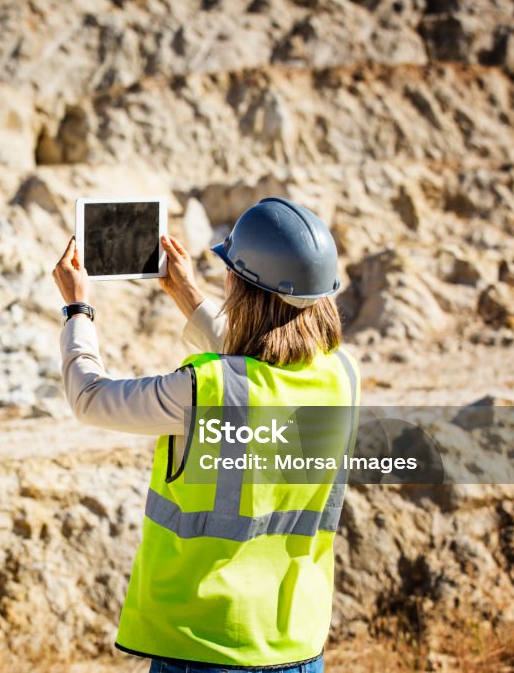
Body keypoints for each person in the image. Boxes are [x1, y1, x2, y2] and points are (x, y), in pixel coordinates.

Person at [52, 197, 360, 673]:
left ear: (239, 284)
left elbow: (90, 397)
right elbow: (265, 360)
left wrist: (78, 309)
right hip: (297, 644)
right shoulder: (342, 375)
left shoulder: (207, 388)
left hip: (205, 647)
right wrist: (187, 294)